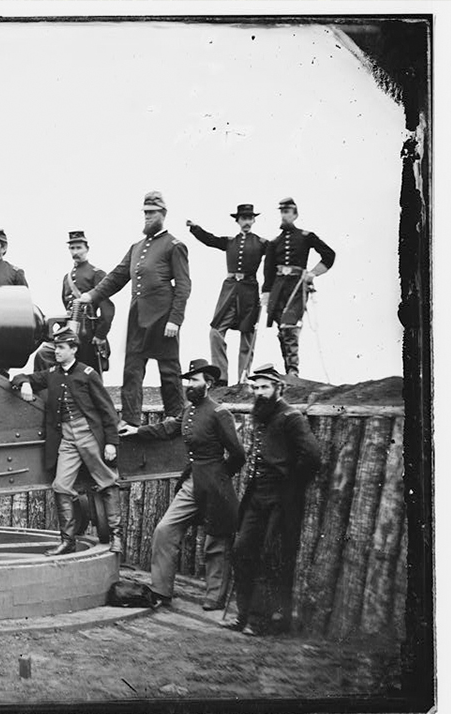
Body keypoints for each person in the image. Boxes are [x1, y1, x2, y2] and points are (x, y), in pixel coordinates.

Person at [122, 358, 245, 610]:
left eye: (195, 380)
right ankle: (161, 590)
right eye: (188, 380)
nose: (190, 384)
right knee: (165, 530)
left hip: (215, 483)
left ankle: (214, 597)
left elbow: (238, 454)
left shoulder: (219, 413)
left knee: (216, 540)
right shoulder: (189, 412)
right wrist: (136, 431)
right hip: (192, 482)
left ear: (208, 384)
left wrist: (221, 476)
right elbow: (168, 429)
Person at [78, 191, 191, 428]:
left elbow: (183, 285)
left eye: (152, 213)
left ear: (163, 214)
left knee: (169, 370)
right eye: (146, 213)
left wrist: (175, 319)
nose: (148, 217)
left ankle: (175, 418)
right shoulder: (136, 247)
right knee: (132, 370)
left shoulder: (174, 245)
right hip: (138, 318)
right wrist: (91, 295)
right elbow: (116, 277)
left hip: (163, 317)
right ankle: (130, 420)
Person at [224, 364, 321, 636]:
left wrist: (290, 486)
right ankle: (243, 615)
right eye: (255, 387)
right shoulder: (262, 416)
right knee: (242, 551)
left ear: (279, 388)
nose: (259, 392)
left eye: (265, 387)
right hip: (257, 496)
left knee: (270, 558)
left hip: (280, 499)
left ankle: (262, 621)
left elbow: (312, 457)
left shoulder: (291, 417)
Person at [11, 328, 123, 555]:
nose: (57, 352)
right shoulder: (52, 373)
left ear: (73, 349)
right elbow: (21, 377)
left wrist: (111, 442)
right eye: (56, 347)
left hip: (89, 433)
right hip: (67, 438)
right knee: (61, 486)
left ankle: (116, 536)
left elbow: (107, 410)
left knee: (107, 482)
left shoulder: (88, 374)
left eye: (62, 348)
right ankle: (67, 541)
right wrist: (24, 383)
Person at [186, 204, 268, 385]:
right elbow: (210, 240)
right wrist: (195, 228)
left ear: (253, 220)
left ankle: (243, 380)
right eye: (243, 218)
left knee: (247, 334)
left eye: (249, 218)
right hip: (230, 289)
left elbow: (275, 257)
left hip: (250, 290)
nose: (246, 222)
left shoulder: (262, 243)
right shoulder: (230, 242)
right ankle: (221, 378)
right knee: (215, 331)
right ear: (237, 221)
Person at [262, 197, 336, 378]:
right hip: (278, 289)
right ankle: (289, 371)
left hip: (297, 286)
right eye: (282, 212)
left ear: (295, 215)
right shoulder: (274, 243)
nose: (284, 215)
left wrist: (313, 273)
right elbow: (268, 270)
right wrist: (266, 293)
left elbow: (329, 254)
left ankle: (293, 370)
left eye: (287, 212)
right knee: (282, 329)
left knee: (289, 325)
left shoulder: (306, 236)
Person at [61, 230, 114, 375]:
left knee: (90, 373)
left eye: (79, 248)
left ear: (87, 249)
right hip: (72, 330)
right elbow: (66, 304)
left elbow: (107, 309)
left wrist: (100, 334)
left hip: (89, 333)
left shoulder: (96, 274)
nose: (75, 251)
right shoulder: (67, 278)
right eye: (72, 248)